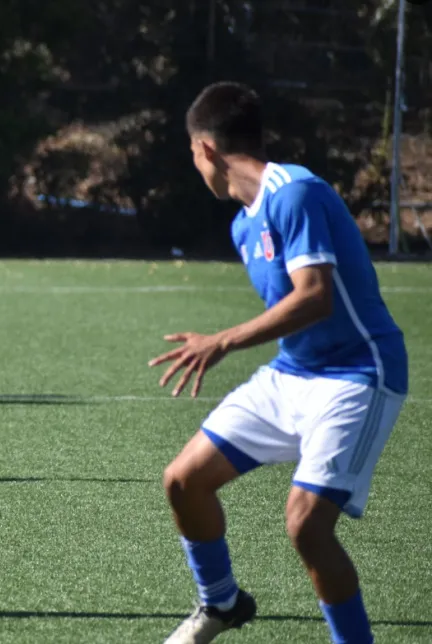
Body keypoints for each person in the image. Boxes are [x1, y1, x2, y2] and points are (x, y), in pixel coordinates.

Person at [150, 81, 408, 644]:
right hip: (293, 373)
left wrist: (221, 342)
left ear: (207, 149)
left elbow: (315, 297)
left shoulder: (295, 192)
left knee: (306, 524)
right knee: (183, 481)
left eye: (191, 153)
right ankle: (221, 603)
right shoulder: (243, 223)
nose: (194, 165)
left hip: (358, 374)